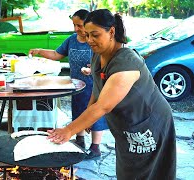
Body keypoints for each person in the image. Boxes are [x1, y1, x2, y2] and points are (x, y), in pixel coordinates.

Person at [47, 9, 176, 179]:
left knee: (146, 172)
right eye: (87, 35)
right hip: (127, 125)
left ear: (112, 32)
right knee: (127, 169)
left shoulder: (127, 62)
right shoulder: (98, 55)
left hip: (148, 124)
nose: (90, 40)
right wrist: (88, 111)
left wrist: (68, 130)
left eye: (95, 35)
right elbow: (98, 87)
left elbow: (103, 106)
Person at [29, 9, 108, 159]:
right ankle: (79, 141)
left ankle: (95, 147)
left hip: (94, 86)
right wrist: (39, 51)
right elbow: (56, 54)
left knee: (95, 115)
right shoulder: (71, 39)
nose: (76, 29)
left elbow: (104, 63)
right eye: (74, 25)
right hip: (76, 86)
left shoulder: (95, 41)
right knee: (78, 112)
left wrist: (92, 69)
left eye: (80, 25)